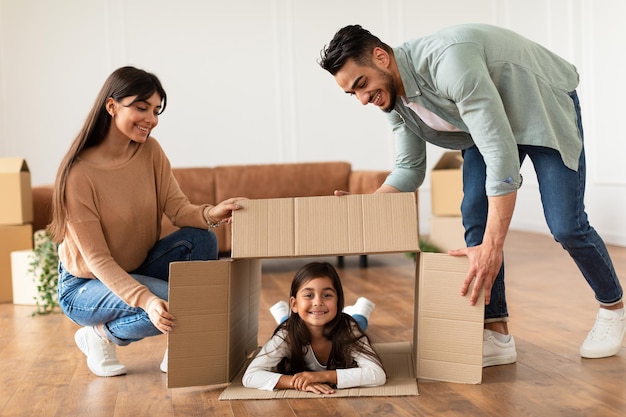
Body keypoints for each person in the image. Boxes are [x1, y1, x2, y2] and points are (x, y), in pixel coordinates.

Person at [318, 24, 625, 366]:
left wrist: (494, 246)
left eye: (361, 84)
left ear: (380, 57)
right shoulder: (392, 100)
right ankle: (496, 333)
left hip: (540, 102)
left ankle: (612, 308)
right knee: (475, 219)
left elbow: (501, 156)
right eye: (352, 94)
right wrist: (371, 204)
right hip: (487, 123)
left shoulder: (449, 62)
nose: (362, 99)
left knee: (566, 225)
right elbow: (409, 168)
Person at [49, 66, 244, 377]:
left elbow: (178, 209)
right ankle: (98, 335)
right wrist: (147, 300)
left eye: (155, 110)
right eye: (141, 108)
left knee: (203, 238)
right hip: (85, 286)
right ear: (111, 106)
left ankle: (165, 342)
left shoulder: (149, 151)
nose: (151, 119)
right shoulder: (79, 175)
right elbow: (98, 259)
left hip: (137, 265)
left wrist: (211, 214)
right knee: (179, 302)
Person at [242, 262, 386, 393]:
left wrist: (322, 376)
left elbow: (377, 375)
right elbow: (250, 376)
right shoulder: (285, 336)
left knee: (359, 322)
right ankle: (282, 314)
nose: (318, 302)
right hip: (297, 323)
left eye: (327, 295)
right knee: (290, 323)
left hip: (341, 322)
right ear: (294, 304)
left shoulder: (348, 329)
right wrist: (298, 383)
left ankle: (362, 307)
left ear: (338, 302)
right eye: (309, 295)